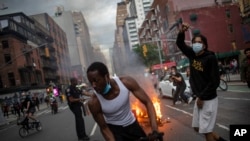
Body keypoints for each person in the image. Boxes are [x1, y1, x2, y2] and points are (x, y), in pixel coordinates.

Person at [176, 22, 227, 141]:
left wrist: (202, 97)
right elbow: (180, 43)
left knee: (207, 131)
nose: (196, 44)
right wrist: (181, 31)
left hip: (208, 99)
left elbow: (215, 81)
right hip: (199, 97)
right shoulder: (192, 55)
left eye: (200, 42)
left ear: (204, 45)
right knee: (197, 128)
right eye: (194, 42)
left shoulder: (210, 58)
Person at [86, 62, 160, 141]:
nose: (93, 85)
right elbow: (104, 128)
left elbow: (148, 102)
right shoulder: (94, 102)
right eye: (91, 82)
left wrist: (155, 130)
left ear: (106, 76)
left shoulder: (126, 82)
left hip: (133, 126)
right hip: (115, 132)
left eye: (96, 81)